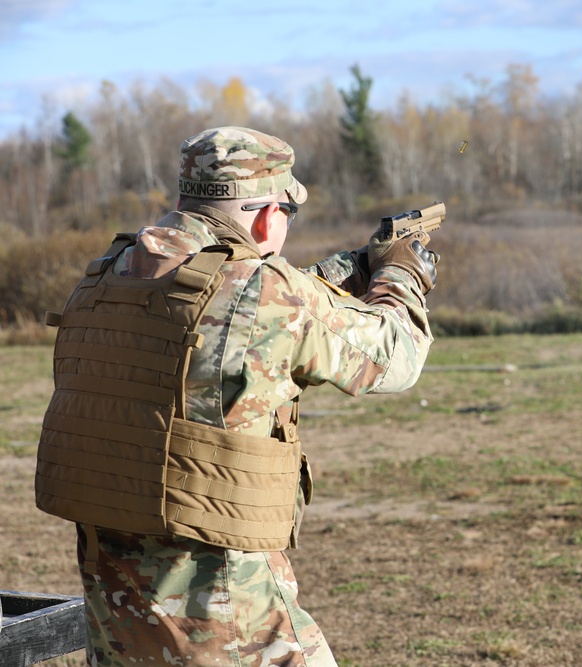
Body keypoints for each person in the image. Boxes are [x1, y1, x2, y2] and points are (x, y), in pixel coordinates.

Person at [34, 126, 440, 666]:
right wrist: (402, 275)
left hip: (121, 619)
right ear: (270, 214)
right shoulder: (271, 292)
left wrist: (352, 267)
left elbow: (229, 311)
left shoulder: (108, 276)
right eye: (287, 216)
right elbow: (395, 355)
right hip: (231, 618)